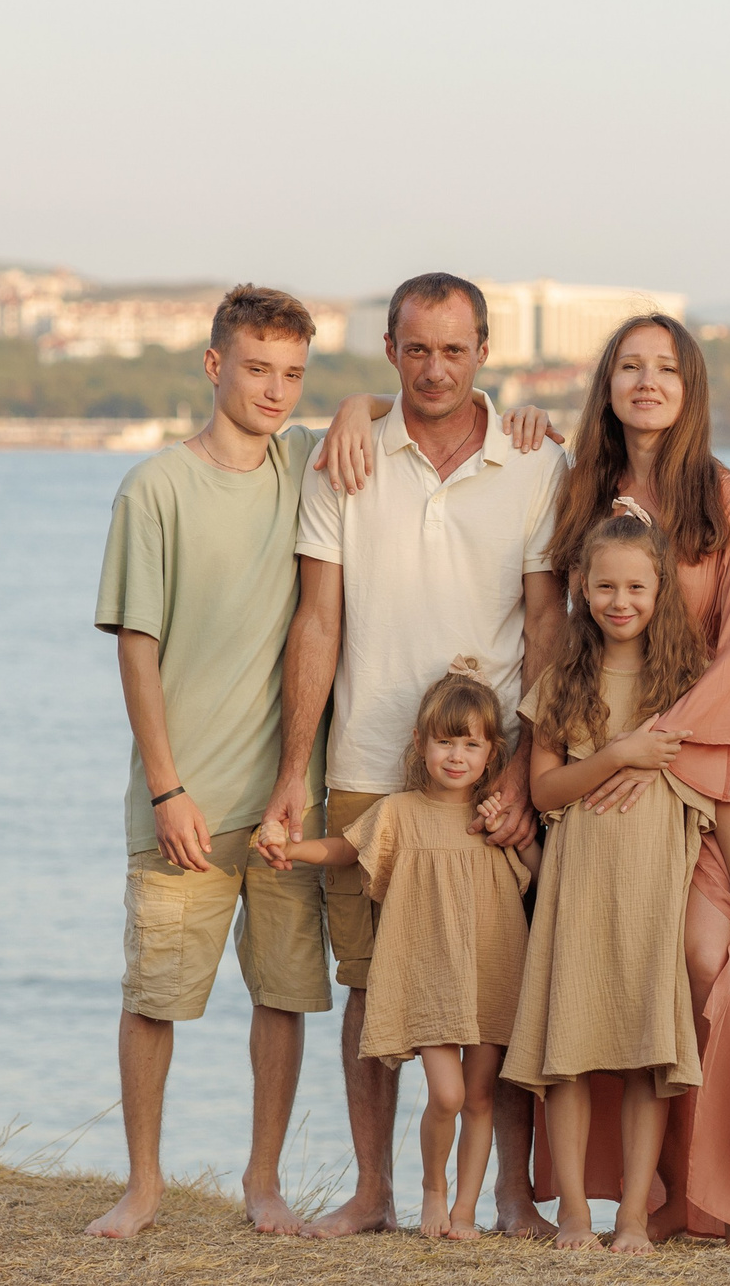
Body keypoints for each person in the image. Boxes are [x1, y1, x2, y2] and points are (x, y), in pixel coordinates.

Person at [265, 271, 568, 1239]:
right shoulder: (343, 458)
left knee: (499, 991)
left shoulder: (535, 462)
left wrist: (523, 767)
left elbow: (548, 627)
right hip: (366, 764)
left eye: (454, 349)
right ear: (390, 350)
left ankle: (510, 1194)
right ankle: (374, 1190)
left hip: (492, 772)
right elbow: (317, 622)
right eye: (418, 349)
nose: (435, 369)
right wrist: (293, 773)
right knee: (370, 987)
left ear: (484, 352)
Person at [84, 285, 331, 1241]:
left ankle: (263, 1182)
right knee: (155, 997)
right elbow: (135, 648)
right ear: (214, 364)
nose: (275, 390)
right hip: (184, 802)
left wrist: (357, 407)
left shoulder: (303, 462)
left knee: (283, 995)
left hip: (284, 808)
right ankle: (143, 1185)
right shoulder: (155, 488)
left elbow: (393, 411)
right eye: (258, 368)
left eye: (294, 375)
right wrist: (167, 786)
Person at [540, 313, 730, 1249]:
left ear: (691, 387)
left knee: (700, 958)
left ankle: (690, 1191)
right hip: (600, 771)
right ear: (606, 383)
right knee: (594, 974)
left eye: (666, 368)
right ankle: (612, 1197)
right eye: (629, 366)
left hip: (700, 766)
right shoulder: (578, 489)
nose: (647, 381)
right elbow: (551, 625)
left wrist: (655, 743)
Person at [501, 510, 730, 1254]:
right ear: (582, 588)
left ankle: (635, 1219)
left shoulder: (686, 684)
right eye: (606, 586)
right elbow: (544, 790)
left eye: (637, 587)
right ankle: (576, 1215)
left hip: (654, 894)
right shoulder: (564, 680)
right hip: (578, 890)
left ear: (660, 590)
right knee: (569, 1052)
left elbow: (724, 794)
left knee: (651, 1056)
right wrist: (620, 753)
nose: (621, 601)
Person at [256, 661, 539, 1240]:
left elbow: (536, 874)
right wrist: (295, 849)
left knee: (480, 1097)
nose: (456, 756)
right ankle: (432, 1190)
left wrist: (513, 830)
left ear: (493, 753)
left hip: (492, 971)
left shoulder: (491, 820)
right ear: (419, 743)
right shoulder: (399, 812)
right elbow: (345, 849)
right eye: (445, 742)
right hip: (430, 977)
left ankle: (465, 1212)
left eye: (471, 745)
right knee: (448, 1094)